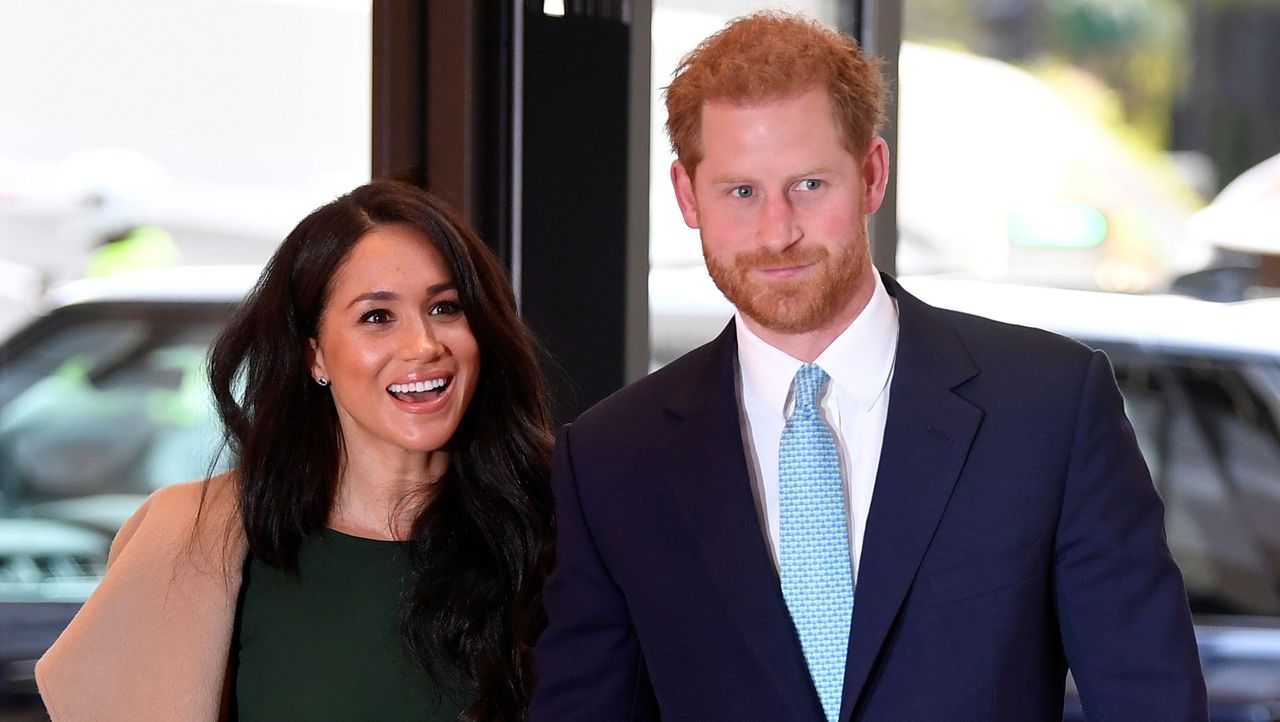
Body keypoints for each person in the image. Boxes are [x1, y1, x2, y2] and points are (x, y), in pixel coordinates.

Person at [531, 11, 1206, 721]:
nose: (777, 232)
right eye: (740, 192)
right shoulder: (611, 459)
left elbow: (1150, 699)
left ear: (872, 174)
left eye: (810, 185)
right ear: (685, 196)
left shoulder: (1048, 408)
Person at [37, 180, 555, 721]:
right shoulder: (197, 537)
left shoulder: (559, 524)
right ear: (315, 356)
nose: (423, 346)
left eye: (446, 307)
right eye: (376, 317)